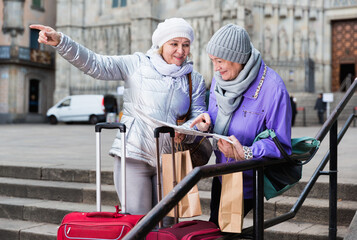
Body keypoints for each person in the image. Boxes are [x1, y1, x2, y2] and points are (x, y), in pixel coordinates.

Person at [30, 18, 207, 219]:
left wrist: (189, 130)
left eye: (185, 45)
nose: (180, 51)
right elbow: (96, 64)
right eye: (174, 44)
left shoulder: (195, 79)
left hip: (169, 160)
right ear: (161, 45)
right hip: (133, 156)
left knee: (167, 225)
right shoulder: (137, 64)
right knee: (137, 221)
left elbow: (197, 117)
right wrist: (62, 41)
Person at [190, 24, 292, 226]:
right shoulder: (221, 81)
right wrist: (202, 126)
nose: (216, 68)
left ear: (239, 59)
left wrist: (245, 152)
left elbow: (281, 145)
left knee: (222, 230)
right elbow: (214, 118)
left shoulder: (273, 89)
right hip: (221, 173)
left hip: (247, 179)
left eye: (220, 61)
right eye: (212, 61)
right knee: (216, 228)